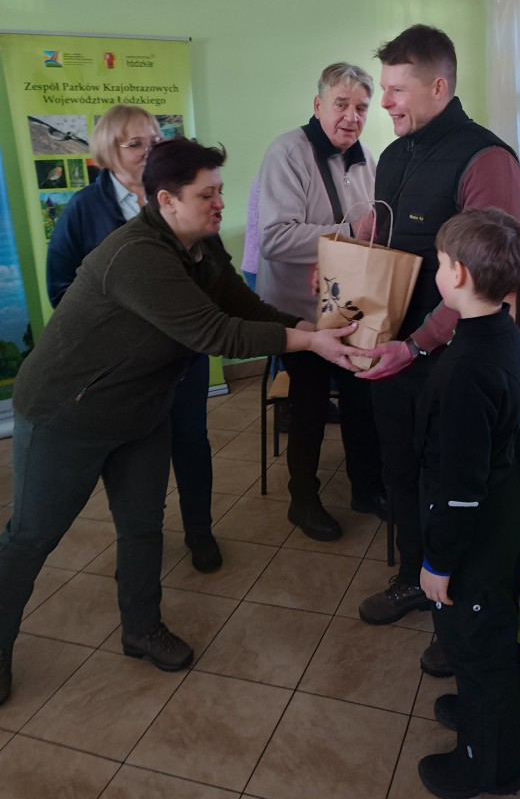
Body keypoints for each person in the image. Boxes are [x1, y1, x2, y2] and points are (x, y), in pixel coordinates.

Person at [0, 138, 362, 707]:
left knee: (143, 525)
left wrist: (309, 331)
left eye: (220, 191)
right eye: (207, 194)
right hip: (67, 413)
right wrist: (311, 342)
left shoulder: (202, 243)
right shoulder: (136, 255)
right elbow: (215, 333)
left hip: (142, 409)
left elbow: (243, 307)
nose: (221, 204)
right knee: (31, 538)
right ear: (166, 201)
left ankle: (141, 629)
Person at [357, 24, 520, 625]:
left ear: (438, 87)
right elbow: (385, 248)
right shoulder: (393, 156)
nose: (384, 103)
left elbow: (486, 277)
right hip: (392, 352)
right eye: (384, 89)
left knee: (451, 484)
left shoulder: (487, 158)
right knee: (401, 472)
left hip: (452, 360)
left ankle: (456, 612)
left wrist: (417, 344)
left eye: (396, 90)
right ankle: (413, 578)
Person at [46, 105, 222, 574]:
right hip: (125, 369)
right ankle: (144, 540)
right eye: (135, 143)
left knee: (191, 442)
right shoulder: (84, 209)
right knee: (138, 459)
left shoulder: (179, 195)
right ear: (109, 151)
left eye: (155, 140)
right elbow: (61, 287)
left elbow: (212, 270)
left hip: (183, 357)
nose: (150, 150)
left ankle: (200, 531)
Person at [415, 209, 520, 799]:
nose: (438, 270)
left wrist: (438, 562)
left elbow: (461, 488)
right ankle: (494, 723)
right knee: (486, 636)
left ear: (457, 274)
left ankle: (487, 767)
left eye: (440, 263)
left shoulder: (467, 368)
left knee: (478, 644)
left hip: (475, 531)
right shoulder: (501, 333)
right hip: (503, 509)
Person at [256, 62, 385, 542]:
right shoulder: (286, 152)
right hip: (299, 312)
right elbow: (274, 238)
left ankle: (366, 488)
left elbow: (375, 232)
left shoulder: (369, 159)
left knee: (362, 401)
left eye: (362, 108)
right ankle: (302, 500)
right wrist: (345, 234)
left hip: (352, 306)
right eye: (341, 104)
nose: (352, 116)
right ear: (318, 104)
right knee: (309, 407)